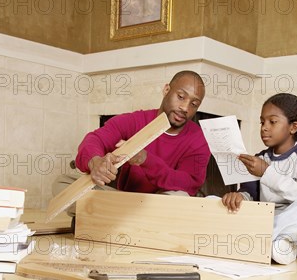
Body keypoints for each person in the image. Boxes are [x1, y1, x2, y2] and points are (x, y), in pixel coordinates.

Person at [52, 70, 211, 212]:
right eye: (181, 97)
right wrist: (95, 162)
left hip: (160, 202)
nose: (185, 107)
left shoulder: (199, 139)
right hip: (125, 199)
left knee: (180, 198)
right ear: (166, 90)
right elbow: (95, 139)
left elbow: (188, 184)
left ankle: (101, 217)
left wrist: (146, 160)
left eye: (194, 104)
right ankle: (131, 222)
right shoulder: (136, 120)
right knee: (63, 183)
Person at [222, 93, 297, 265]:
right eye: (262, 122)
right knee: (216, 203)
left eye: (272, 122)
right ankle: (279, 247)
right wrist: (239, 197)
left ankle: (250, 240)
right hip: (268, 224)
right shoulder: (260, 158)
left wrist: (267, 173)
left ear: (293, 127)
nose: (264, 127)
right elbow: (250, 195)